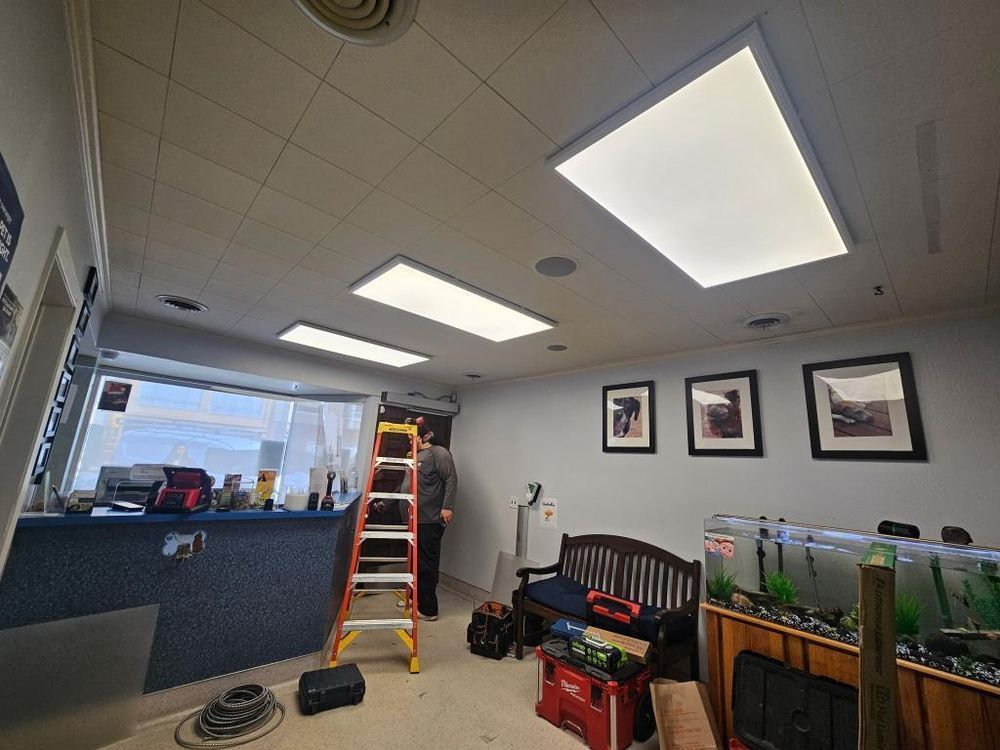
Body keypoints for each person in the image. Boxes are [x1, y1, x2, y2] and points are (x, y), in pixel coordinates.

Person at [399, 421, 456, 621]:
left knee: (426, 563)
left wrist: (447, 507)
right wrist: (386, 503)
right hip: (413, 517)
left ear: (423, 436)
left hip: (429, 518)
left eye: (411, 437)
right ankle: (414, 598)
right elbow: (406, 484)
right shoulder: (415, 456)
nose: (409, 441)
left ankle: (429, 609)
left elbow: (451, 479)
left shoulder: (439, 453)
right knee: (414, 561)